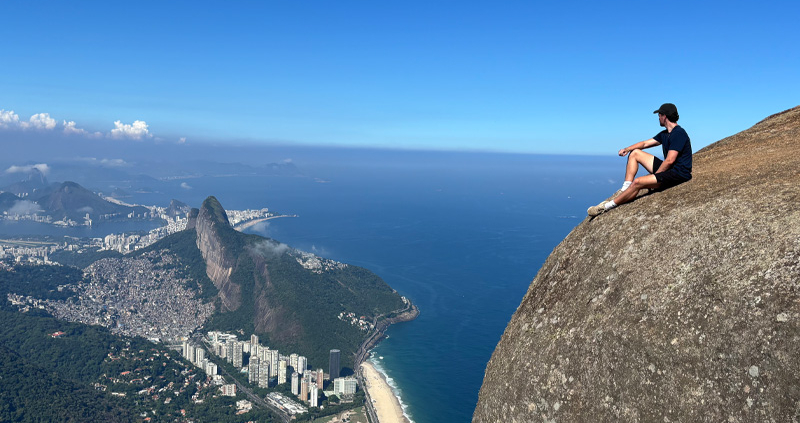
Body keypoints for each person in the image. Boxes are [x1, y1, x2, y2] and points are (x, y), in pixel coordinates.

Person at [588, 103, 692, 217]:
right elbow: (645, 143)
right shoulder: (665, 134)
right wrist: (627, 149)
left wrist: (655, 177)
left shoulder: (679, 133)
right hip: (669, 170)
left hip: (678, 174)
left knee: (638, 182)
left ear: (665, 116)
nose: (658, 118)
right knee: (635, 153)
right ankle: (625, 189)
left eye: (659, 115)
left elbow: (669, 160)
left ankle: (606, 207)